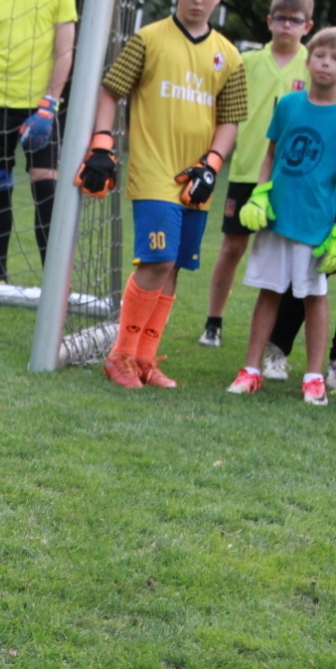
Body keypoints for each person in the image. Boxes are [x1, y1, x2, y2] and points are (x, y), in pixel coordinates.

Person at [76, 0, 246, 389]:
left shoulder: (231, 56)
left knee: (174, 267)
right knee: (158, 260)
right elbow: (110, 91)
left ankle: (144, 360)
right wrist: (102, 144)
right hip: (153, 171)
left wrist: (212, 165)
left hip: (194, 178)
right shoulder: (147, 39)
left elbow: (230, 120)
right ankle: (120, 355)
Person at [226, 28, 336, 406]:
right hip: (277, 219)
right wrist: (260, 194)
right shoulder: (288, 105)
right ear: (309, 60)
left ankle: (313, 378)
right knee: (269, 291)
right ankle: (251, 370)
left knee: (314, 298)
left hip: (316, 224)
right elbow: (271, 155)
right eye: (321, 55)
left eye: (335, 58)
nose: (326, 63)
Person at [199, 0, 312, 348]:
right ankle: (213, 321)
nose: (287, 26)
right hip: (248, 168)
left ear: (307, 26)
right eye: (281, 18)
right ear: (269, 21)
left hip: (293, 177)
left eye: (296, 20)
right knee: (233, 246)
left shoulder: (314, 65)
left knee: (290, 254)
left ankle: (276, 341)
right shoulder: (245, 62)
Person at [0, 0, 76, 283]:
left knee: (46, 183)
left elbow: (64, 53)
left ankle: (53, 280)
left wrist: (49, 105)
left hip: (39, 107)